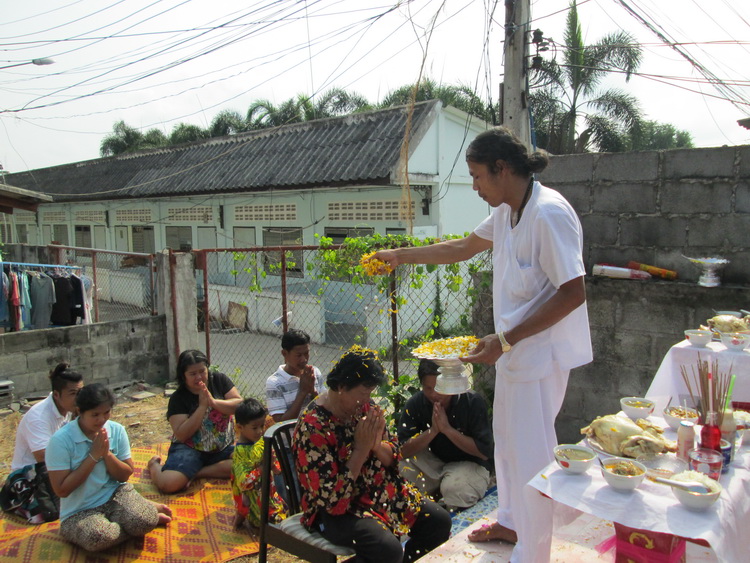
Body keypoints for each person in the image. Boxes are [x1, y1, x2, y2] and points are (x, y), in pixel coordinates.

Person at [373, 127, 592, 562]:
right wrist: (401, 256)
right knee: (508, 445)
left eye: (476, 176)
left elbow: (574, 292)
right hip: (510, 351)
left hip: (537, 354)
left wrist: (506, 338)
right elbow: (463, 247)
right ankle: (511, 522)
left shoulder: (548, 214)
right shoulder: (508, 210)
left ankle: (535, 551)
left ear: (502, 168)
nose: (473, 186)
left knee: (532, 454)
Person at [293, 345, 451, 563]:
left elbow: (394, 455)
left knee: (438, 522)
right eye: (363, 394)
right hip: (338, 510)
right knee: (386, 549)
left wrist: (376, 446)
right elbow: (332, 501)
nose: (367, 401)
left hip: (378, 491)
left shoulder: (365, 408)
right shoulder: (313, 428)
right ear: (341, 386)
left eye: (370, 394)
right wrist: (360, 449)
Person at [45, 383, 172, 551]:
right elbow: (61, 490)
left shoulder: (116, 430)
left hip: (115, 495)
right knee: (99, 537)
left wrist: (107, 454)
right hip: (80, 510)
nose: (102, 420)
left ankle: (137, 520)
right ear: (80, 412)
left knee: (145, 521)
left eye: (106, 413)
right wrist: (93, 456)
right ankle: (128, 524)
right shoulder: (61, 441)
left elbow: (125, 475)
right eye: (94, 414)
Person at [398, 359, 494, 510]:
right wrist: (433, 431)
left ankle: (450, 491)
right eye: (428, 388)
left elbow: (483, 452)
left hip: (469, 464)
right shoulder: (416, 403)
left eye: (439, 387)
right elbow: (401, 451)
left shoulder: (472, 401)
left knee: (456, 490)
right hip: (434, 464)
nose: (434, 394)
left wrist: (447, 429)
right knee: (399, 470)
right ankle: (436, 492)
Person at [148, 349, 242, 493]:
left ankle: (198, 473)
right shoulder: (178, 398)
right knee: (168, 485)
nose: (199, 377)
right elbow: (181, 434)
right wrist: (202, 407)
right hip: (190, 449)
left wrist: (213, 403)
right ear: (183, 376)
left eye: (202, 371)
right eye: (192, 374)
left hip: (222, 447)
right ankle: (154, 466)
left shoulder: (218, 380)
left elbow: (239, 405)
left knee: (248, 464)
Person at [0, 363, 83, 523]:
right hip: (30, 477)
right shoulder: (39, 417)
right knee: (51, 512)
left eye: (80, 392)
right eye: (73, 393)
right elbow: (44, 458)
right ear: (57, 395)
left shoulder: (68, 409)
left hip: (54, 467)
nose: (79, 398)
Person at [230, 397, 286, 530]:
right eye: (255, 427)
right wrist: (263, 467)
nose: (260, 431)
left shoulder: (261, 442)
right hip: (253, 497)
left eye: (262, 426)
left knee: (284, 515)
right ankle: (242, 515)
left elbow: (276, 467)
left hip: (268, 492)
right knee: (273, 524)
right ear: (239, 427)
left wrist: (274, 465)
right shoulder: (241, 452)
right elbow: (244, 483)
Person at [266, 329, 326, 422]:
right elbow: (281, 422)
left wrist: (313, 392)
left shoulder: (314, 373)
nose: (304, 359)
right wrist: (302, 392)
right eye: (298, 355)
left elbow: (326, 408)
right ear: (285, 354)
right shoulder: (274, 383)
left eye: (306, 353)